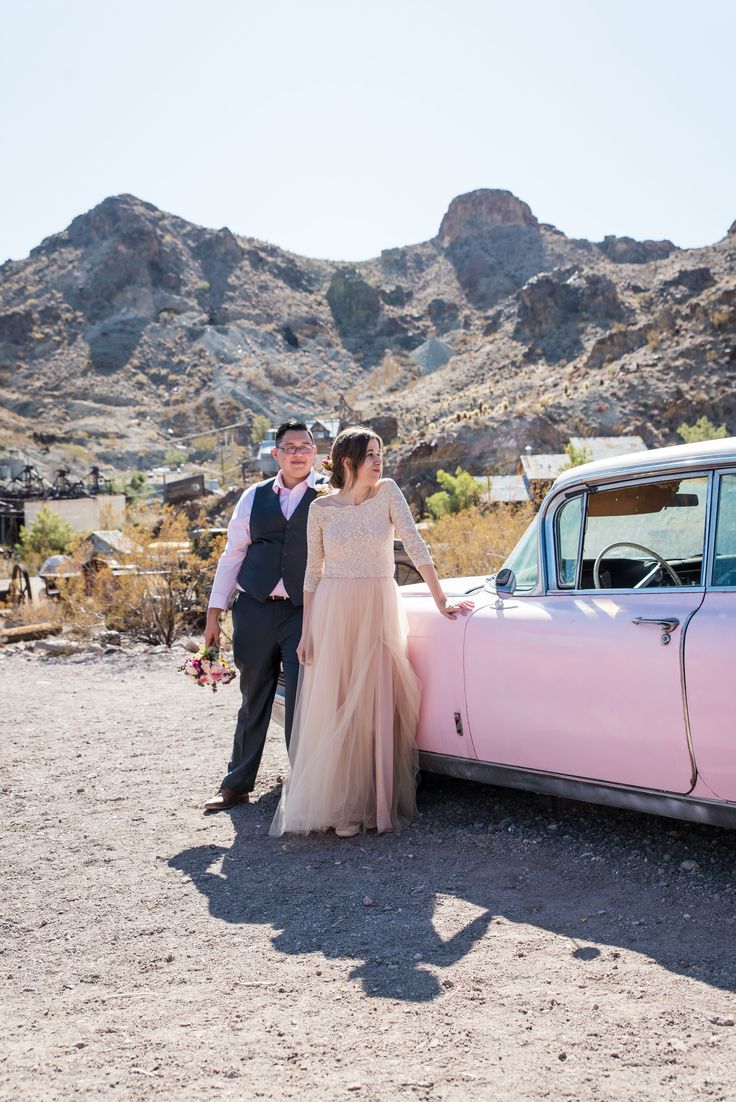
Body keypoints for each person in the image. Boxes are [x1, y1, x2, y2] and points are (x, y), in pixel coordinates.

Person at [270, 426, 473, 838]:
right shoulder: (321, 508)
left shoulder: (389, 492)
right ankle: (343, 807)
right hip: (334, 609)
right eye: (371, 454)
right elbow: (313, 572)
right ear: (348, 461)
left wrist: (441, 600)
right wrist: (307, 633)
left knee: (376, 703)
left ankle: (373, 805)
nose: (379, 461)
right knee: (340, 701)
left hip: (379, 605)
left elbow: (415, 545)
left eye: (380, 452)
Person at [203, 420, 321, 811]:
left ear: (315, 453)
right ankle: (235, 785)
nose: (298, 453)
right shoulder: (253, 497)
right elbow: (232, 554)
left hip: (302, 613)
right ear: (276, 454)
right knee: (254, 695)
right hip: (253, 608)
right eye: (290, 447)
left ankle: (303, 786)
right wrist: (214, 613)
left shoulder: (328, 496)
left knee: (302, 698)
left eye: (305, 446)